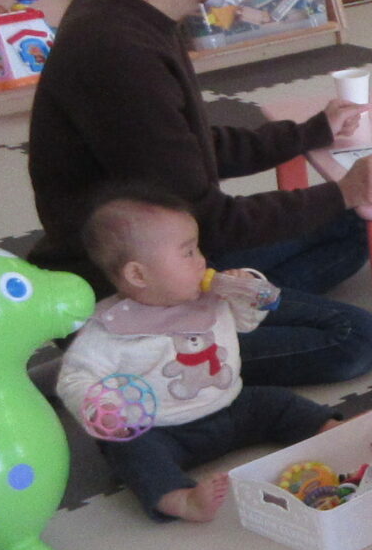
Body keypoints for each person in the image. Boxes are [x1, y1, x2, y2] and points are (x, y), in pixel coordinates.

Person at [27, 0, 372, 389]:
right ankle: (124, 352)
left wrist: (305, 135)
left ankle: (209, 319)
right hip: (125, 277)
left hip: (172, 246)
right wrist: (341, 191)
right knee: (353, 338)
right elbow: (209, 218)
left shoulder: (121, 1)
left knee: (352, 231)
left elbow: (186, 146)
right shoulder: (119, 52)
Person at [54, 190, 335, 523]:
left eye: (197, 248)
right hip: (162, 431)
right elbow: (74, 376)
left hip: (229, 406)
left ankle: (328, 427)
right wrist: (106, 406)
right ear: (138, 275)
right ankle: (181, 499)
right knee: (131, 453)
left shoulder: (208, 297)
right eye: (187, 253)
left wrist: (248, 290)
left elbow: (248, 322)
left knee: (276, 403)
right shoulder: (110, 330)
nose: (202, 260)